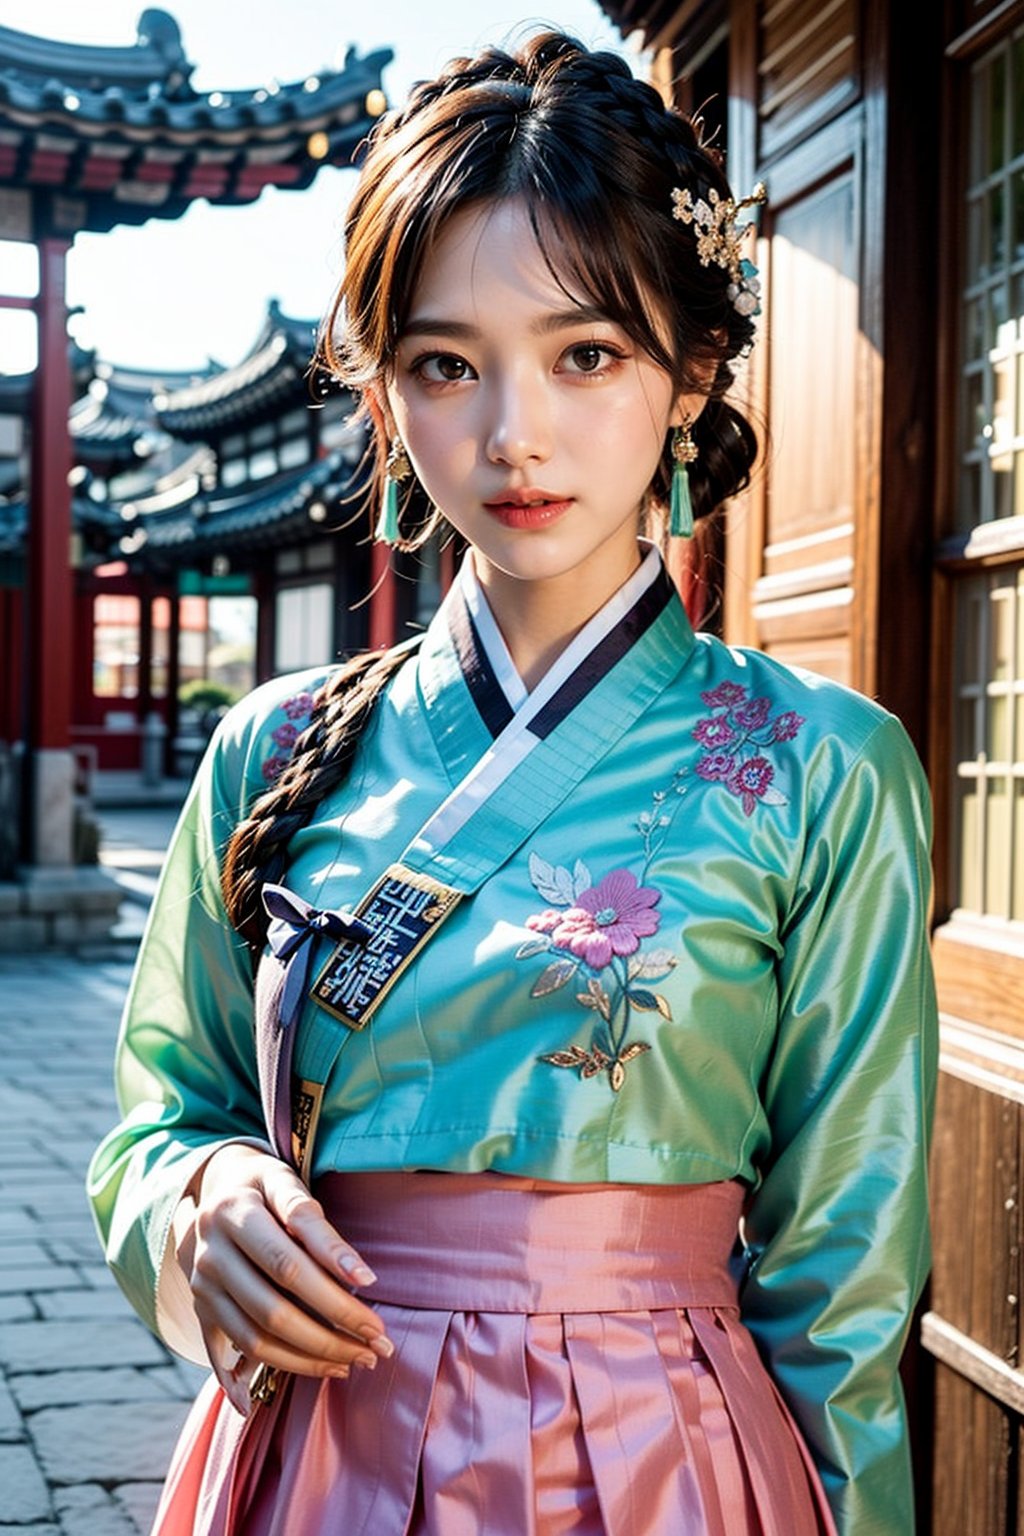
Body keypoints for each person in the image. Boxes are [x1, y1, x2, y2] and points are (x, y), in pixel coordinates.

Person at [88, 31, 937, 1536]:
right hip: (321, 1451)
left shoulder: (821, 767)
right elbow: (162, 1117)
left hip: (666, 1463)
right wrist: (199, 1200)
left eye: (586, 354)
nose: (512, 432)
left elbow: (844, 1283)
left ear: (691, 376)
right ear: (386, 397)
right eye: (444, 364)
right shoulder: (274, 755)